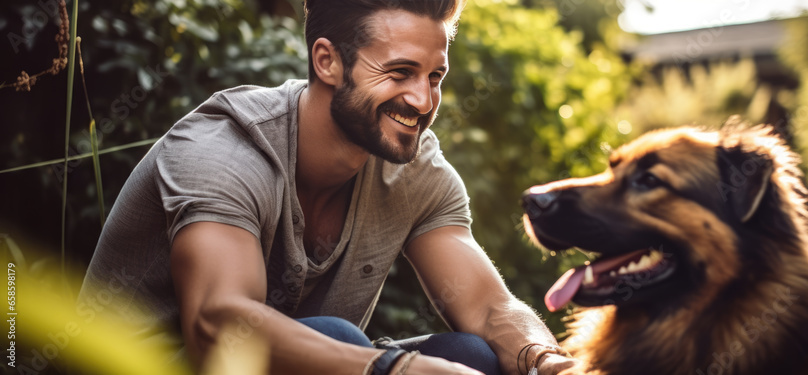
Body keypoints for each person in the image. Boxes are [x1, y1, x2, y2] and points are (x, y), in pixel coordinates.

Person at [79, 0, 577, 374]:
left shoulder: (413, 171)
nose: (424, 101)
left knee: (472, 354)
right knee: (343, 341)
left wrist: (545, 360)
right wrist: (394, 369)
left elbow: (488, 307)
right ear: (327, 62)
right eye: (400, 72)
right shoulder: (225, 149)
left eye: (435, 76)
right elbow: (219, 327)